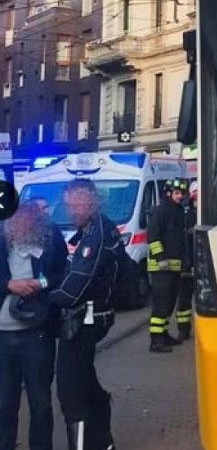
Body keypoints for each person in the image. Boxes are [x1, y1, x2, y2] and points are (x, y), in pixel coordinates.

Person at [49, 178, 127, 450]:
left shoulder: (96, 235)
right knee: (87, 384)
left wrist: (41, 297)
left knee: (70, 393)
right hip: (91, 318)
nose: (69, 211)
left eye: (73, 205)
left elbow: (75, 287)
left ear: (88, 202)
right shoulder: (94, 229)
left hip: (84, 321)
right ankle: (103, 442)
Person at [0, 202, 68, 450]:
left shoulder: (50, 240)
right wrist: (9, 284)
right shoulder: (1, 242)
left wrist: (39, 282)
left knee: (40, 403)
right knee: (4, 403)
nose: (20, 227)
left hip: (37, 334)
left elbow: (62, 273)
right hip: (3, 337)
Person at [146, 179, 188, 352]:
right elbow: (153, 237)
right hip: (160, 267)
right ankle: (155, 340)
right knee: (161, 303)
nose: (180, 197)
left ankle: (163, 335)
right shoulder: (160, 211)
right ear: (168, 193)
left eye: (181, 193)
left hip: (174, 266)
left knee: (170, 303)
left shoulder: (178, 212)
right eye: (177, 193)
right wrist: (160, 257)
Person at [176, 181, 197, 342]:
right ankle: (183, 329)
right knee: (184, 299)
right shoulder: (183, 213)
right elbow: (182, 241)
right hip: (187, 263)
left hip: (203, 262)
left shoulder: (208, 210)